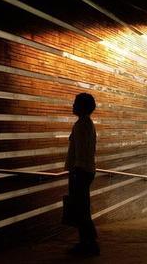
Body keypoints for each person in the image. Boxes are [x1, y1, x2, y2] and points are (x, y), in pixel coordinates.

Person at [65, 93, 100, 256]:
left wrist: (74, 172)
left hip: (80, 171)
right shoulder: (87, 123)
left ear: (81, 106)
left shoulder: (81, 125)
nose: (73, 106)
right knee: (82, 208)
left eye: (75, 103)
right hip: (85, 170)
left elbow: (79, 152)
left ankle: (88, 244)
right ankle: (88, 242)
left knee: (81, 209)